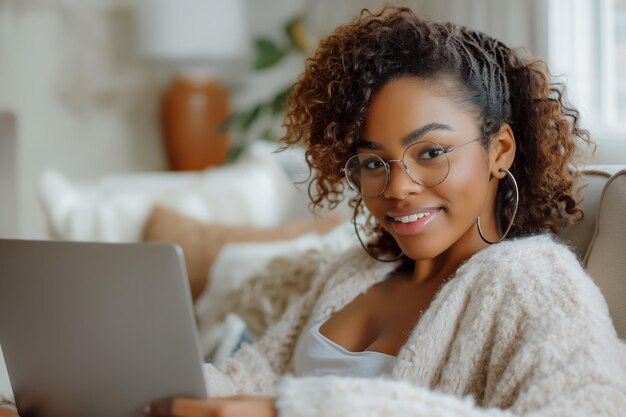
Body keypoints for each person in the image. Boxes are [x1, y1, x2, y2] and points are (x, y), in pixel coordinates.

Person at [3, 6, 626, 417]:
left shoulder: (534, 283)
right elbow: (249, 377)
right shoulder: (351, 274)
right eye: (373, 161)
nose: (399, 188)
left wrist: (295, 409)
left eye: (431, 152)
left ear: (500, 151)